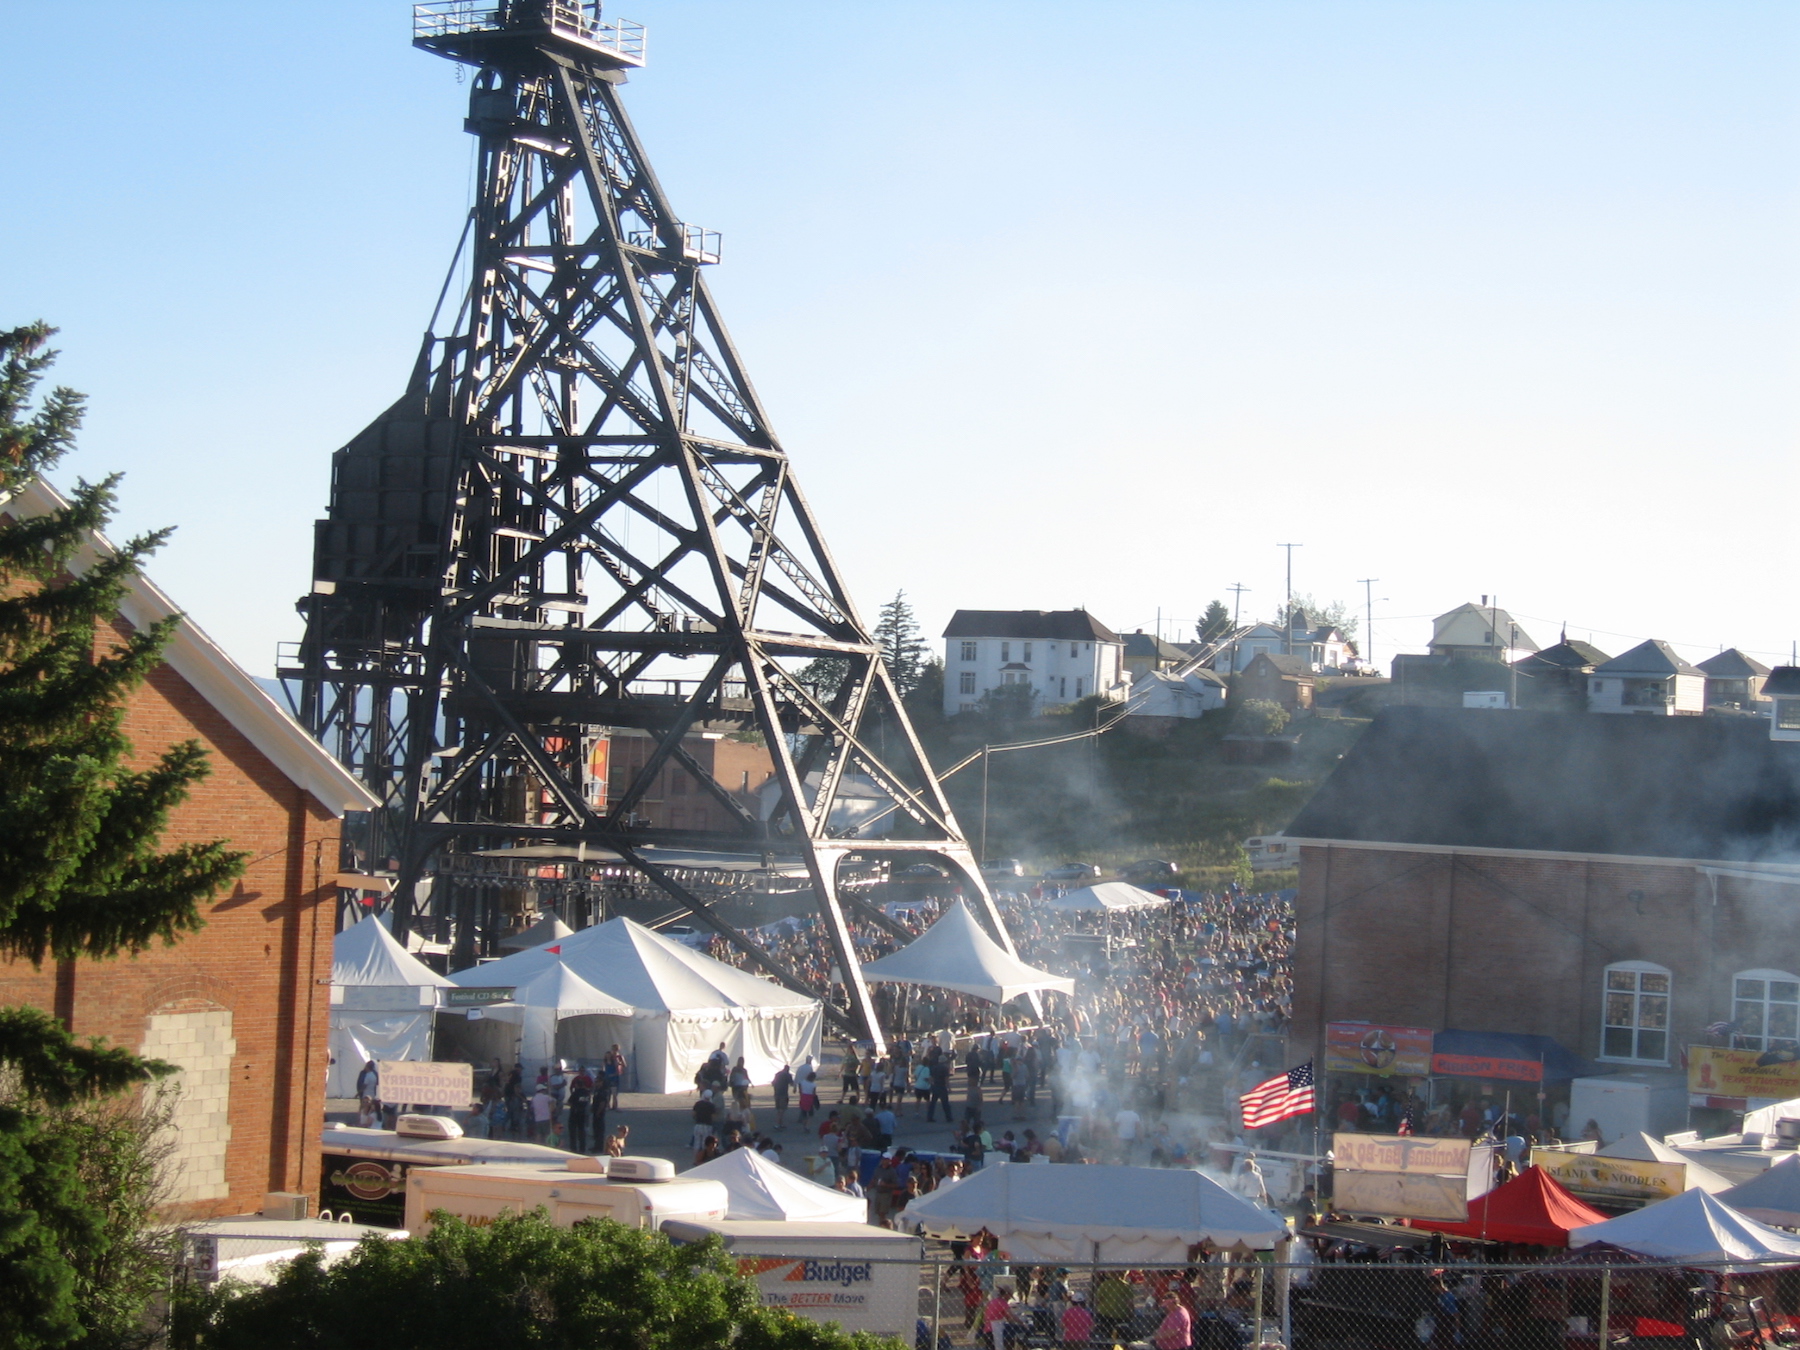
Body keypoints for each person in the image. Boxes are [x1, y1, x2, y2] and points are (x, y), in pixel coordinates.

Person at [798, 1057, 819, 1123]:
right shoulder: (813, 1084)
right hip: (809, 1097)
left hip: (803, 1094)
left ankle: (802, 1118)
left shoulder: (801, 1067)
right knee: (810, 1111)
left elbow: (797, 1076)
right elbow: (814, 1093)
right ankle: (807, 1123)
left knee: (803, 1108)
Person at [772, 1062, 794, 1128]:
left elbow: (773, 1083)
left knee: (778, 1109)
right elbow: (791, 1083)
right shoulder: (788, 1075)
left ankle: (780, 1123)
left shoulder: (777, 1074)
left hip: (776, 1093)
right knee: (782, 1109)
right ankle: (778, 1124)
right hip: (783, 1094)